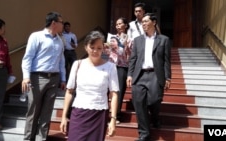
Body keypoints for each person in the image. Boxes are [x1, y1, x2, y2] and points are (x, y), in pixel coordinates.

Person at [60, 31, 119, 141]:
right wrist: (64, 117)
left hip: (99, 114)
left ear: (103, 48)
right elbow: (69, 92)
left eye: (99, 48)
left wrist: (113, 119)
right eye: (92, 47)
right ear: (86, 47)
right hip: (79, 113)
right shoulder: (77, 64)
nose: (95, 51)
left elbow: (114, 94)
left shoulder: (110, 67)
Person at [21, 12, 66, 141]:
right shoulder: (36, 36)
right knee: (33, 111)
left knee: (47, 112)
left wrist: (63, 79)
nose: (62, 25)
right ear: (54, 23)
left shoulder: (60, 40)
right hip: (37, 78)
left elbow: (61, 61)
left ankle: (42, 138)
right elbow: (28, 58)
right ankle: (28, 139)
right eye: (61, 22)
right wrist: (25, 77)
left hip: (54, 78)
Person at [126, 13, 171, 141]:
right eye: (142, 22)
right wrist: (130, 74)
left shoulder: (164, 40)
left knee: (155, 100)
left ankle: (155, 118)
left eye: (146, 21)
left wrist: (168, 77)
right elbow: (133, 59)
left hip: (155, 75)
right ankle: (144, 134)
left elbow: (167, 61)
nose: (143, 24)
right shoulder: (138, 40)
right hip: (139, 75)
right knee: (139, 103)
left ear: (154, 22)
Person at [105, 17, 132, 124]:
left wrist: (125, 45)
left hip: (123, 66)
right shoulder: (111, 38)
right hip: (111, 65)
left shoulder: (130, 39)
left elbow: (130, 54)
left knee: (119, 91)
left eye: (120, 24)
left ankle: (116, 115)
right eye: (116, 24)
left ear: (125, 25)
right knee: (106, 90)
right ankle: (104, 114)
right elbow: (107, 52)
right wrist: (107, 47)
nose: (118, 26)